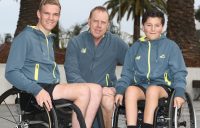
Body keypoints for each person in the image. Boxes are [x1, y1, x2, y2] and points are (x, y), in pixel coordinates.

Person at [5, 0, 102, 128]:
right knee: (83, 91)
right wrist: (36, 90)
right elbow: (11, 72)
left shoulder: (49, 39)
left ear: (59, 16)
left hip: (50, 87)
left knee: (96, 89)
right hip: (34, 90)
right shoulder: (25, 37)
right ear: (38, 14)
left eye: (55, 14)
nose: (51, 18)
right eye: (47, 13)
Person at [115, 9, 187, 128]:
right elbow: (126, 74)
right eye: (149, 25)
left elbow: (179, 72)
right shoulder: (134, 48)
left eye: (157, 25)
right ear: (143, 27)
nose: (153, 29)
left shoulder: (171, 46)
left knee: (152, 90)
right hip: (141, 86)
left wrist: (179, 92)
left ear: (162, 27)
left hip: (163, 88)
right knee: (131, 91)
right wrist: (120, 90)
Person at [64, 6, 128, 128]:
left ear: (107, 25)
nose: (99, 25)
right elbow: (71, 73)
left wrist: (119, 87)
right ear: (89, 22)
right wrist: (92, 90)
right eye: (95, 21)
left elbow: (133, 66)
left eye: (103, 22)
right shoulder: (75, 42)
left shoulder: (116, 43)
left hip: (106, 91)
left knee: (109, 102)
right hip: (82, 92)